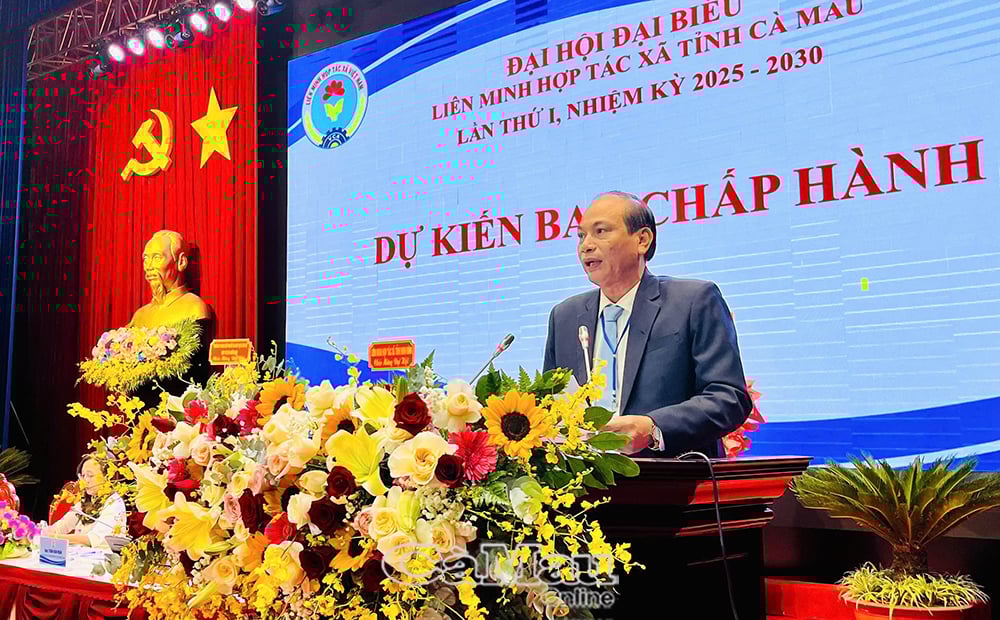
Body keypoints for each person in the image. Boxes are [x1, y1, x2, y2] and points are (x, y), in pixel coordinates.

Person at [542, 191, 752, 456]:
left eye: (601, 231)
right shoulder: (564, 316)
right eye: (581, 236)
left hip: (671, 474)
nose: (586, 246)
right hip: (587, 478)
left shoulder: (692, 301)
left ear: (642, 240)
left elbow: (729, 398)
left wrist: (654, 428)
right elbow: (549, 404)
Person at [44, 456, 126, 548]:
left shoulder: (114, 503)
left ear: (107, 477)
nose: (85, 480)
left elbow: (93, 539)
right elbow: (60, 527)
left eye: (90, 475)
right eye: (83, 476)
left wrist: (55, 537)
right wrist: (42, 532)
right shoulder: (85, 501)